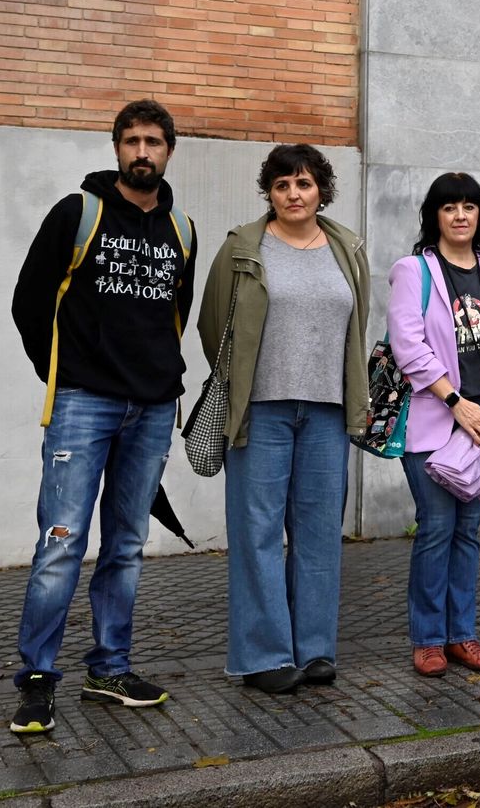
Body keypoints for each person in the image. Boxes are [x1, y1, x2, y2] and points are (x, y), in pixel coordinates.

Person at [8, 99, 195, 734]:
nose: (143, 152)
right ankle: (37, 679)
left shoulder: (182, 232)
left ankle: (109, 669)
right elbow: (29, 302)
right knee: (60, 544)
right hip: (83, 405)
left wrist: (159, 385)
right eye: (132, 141)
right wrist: (63, 377)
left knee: (128, 546)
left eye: (154, 142)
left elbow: (174, 317)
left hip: (151, 411)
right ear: (116, 148)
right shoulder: (77, 213)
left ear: (170, 151)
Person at [198, 145, 369, 694]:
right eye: (281, 186)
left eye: (303, 184)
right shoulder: (242, 249)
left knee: (320, 534)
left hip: (326, 411)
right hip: (262, 410)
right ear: (268, 193)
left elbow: (356, 323)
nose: (293, 195)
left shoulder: (346, 247)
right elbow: (211, 325)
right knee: (259, 534)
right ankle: (265, 656)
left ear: (322, 189)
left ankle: (314, 649)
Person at [388, 173, 480, 676]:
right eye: (450, 207)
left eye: (469, 207)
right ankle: (427, 638)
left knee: (468, 529)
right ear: (435, 216)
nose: (460, 215)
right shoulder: (413, 270)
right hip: (434, 421)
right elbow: (408, 346)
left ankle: (461, 635)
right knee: (436, 526)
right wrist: (456, 403)